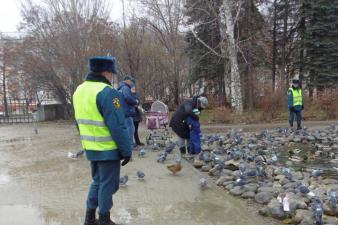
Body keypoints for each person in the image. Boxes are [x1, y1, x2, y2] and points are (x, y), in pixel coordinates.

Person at [73, 56, 132, 225]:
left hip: (90, 147)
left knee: (97, 181)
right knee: (108, 185)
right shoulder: (108, 92)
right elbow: (118, 125)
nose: (111, 77)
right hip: (108, 148)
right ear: (105, 72)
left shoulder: (79, 90)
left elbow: (77, 121)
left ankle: (89, 218)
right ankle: (104, 219)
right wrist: (126, 150)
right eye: (111, 73)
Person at [118, 76, 138, 146]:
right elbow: (128, 97)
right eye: (131, 81)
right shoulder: (125, 88)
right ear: (127, 80)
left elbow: (116, 102)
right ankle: (130, 144)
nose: (131, 83)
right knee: (131, 129)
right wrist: (135, 101)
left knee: (126, 129)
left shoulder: (119, 89)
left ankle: (127, 144)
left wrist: (119, 109)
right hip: (127, 112)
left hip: (122, 112)